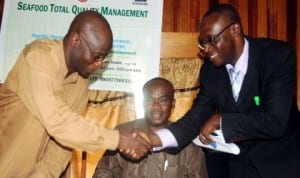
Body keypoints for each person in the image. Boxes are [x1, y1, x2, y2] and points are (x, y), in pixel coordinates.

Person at [143, 4, 300, 178]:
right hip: (240, 169)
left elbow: (274, 122)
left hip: (283, 165)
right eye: (203, 43)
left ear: (235, 29)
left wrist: (221, 121)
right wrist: (154, 140)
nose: (207, 49)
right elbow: (196, 118)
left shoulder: (277, 56)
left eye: (212, 40)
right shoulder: (211, 71)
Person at [0, 10, 150, 178]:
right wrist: (119, 139)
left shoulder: (80, 85)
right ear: (75, 40)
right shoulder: (38, 58)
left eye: (103, 59)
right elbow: (58, 122)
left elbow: (61, 148)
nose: (99, 64)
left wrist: (40, 175)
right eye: (96, 56)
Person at [92, 77, 208, 178]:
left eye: (163, 100)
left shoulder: (186, 140)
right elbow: (104, 171)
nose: (155, 107)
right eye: (149, 100)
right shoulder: (124, 133)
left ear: (172, 103)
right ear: (143, 103)